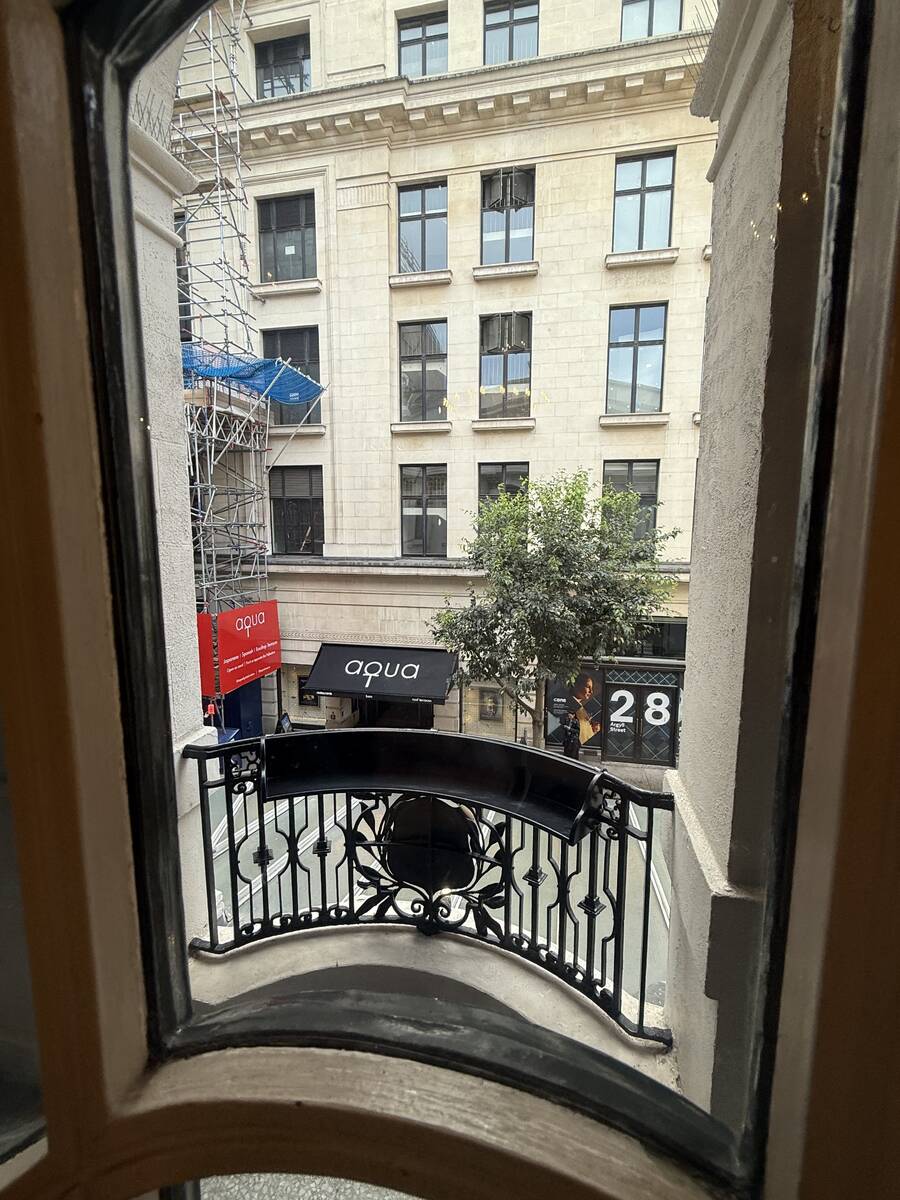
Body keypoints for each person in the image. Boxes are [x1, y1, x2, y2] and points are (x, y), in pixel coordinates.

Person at [566, 672, 602, 745]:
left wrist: (593, 731)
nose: (591, 691)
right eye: (588, 687)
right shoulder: (573, 705)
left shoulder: (578, 705)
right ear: (576, 686)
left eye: (591, 688)